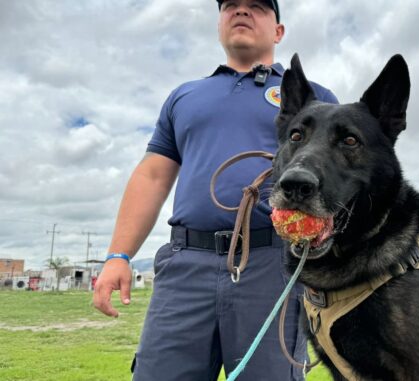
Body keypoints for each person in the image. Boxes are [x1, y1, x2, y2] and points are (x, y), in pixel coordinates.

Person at [92, 1, 338, 379]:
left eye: (256, 6)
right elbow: (153, 176)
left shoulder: (313, 96)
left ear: (278, 31)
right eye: (231, 6)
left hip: (273, 266)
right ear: (219, 24)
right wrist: (118, 255)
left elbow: (342, 176)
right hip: (185, 264)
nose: (241, 11)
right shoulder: (184, 96)